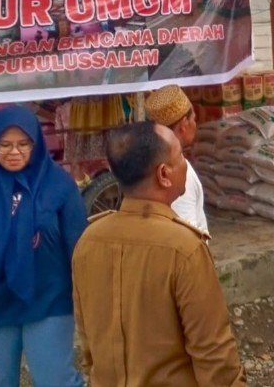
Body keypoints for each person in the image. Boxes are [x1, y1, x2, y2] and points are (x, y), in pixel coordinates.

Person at [72, 120, 245, 386]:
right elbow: (214, 355)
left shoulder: (88, 242)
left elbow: (88, 346)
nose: (186, 164)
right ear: (164, 174)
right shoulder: (184, 248)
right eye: (181, 156)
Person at [0, 105, 86, 387]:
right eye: (5, 144)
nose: (14, 152)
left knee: (56, 381)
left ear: (36, 144)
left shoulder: (59, 186)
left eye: (23, 144)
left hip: (48, 301)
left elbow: (80, 247)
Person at [145, 84, 208, 231]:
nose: (195, 124)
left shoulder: (147, 161)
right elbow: (186, 233)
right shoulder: (179, 173)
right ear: (184, 124)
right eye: (194, 119)